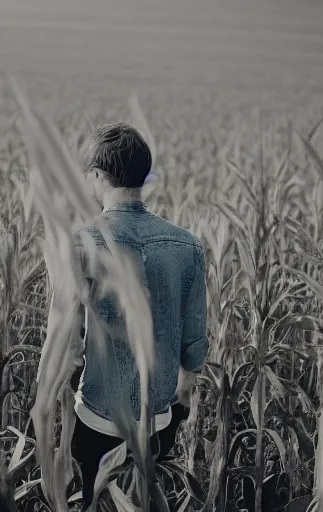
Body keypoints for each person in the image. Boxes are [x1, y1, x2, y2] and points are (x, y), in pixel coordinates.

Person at [36, 122, 208, 510]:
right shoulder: (187, 245)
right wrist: (176, 410)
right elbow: (194, 350)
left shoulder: (78, 243)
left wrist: (47, 410)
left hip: (96, 420)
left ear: (97, 175)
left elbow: (64, 341)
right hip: (158, 423)